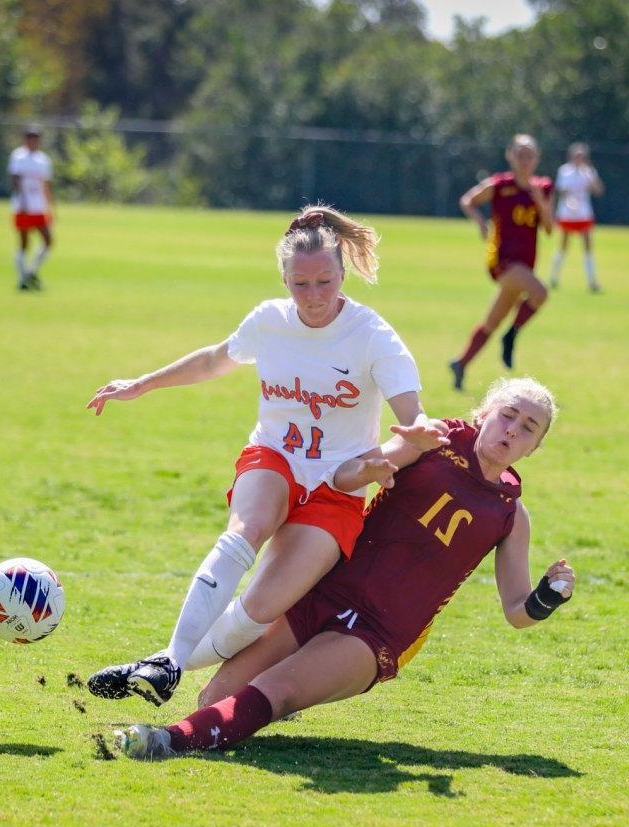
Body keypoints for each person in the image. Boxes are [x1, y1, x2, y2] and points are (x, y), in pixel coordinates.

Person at [86, 205, 449, 707]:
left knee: (260, 609)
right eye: (301, 285)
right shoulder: (269, 321)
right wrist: (142, 384)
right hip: (273, 456)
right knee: (246, 528)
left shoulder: (373, 336)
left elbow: (413, 420)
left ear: (343, 274)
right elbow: (216, 359)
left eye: (326, 282)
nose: (315, 296)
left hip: (339, 486)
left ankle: (160, 663)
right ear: (283, 278)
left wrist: (396, 448)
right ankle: (171, 660)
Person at [110, 376, 576, 761]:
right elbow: (344, 476)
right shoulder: (430, 439)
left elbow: (517, 611)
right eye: (508, 414)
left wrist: (547, 596)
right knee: (215, 699)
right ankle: (235, 691)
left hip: (378, 633)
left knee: (277, 688)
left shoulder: (511, 515)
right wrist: (374, 467)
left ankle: (164, 741)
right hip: (326, 590)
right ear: (484, 414)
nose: (513, 429)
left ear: (533, 448)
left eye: (529, 427)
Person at [449, 135, 553, 390]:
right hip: (503, 261)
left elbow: (550, 228)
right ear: (510, 156)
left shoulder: (544, 187)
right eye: (520, 154)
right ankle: (512, 336)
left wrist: (540, 201)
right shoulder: (499, 184)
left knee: (491, 322)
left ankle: (460, 363)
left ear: (537, 158)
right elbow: (467, 201)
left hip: (525, 264)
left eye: (529, 155)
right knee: (540, 293)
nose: (525, 160)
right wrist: (480, 221)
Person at [549, 143, 604, 293]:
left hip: (583, 214)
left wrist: (592, 179)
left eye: (582, 156)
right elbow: (560, 191)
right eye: (577, 155)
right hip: (567, 213)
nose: (579, 158)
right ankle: (553, 278)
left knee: (587, 248)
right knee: (563, 246)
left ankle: (592, 281)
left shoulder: (589, 171)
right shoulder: (564, 171)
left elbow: (598, 191)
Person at [8, 125, 54, 290]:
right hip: (23, 206)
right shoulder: (19, 156)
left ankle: (30, 272)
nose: (33, 142)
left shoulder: (43, 159)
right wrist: (23, 202)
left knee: (48, 240)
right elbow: (15, 180)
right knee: (24, 243)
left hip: (38, 206)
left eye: (36, 139)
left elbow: (46, 184)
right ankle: (22, 280)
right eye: (30, 138)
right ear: (25, 139)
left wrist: (51, 206)